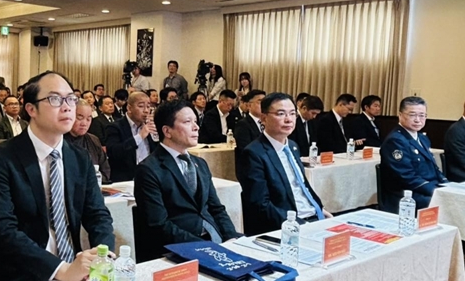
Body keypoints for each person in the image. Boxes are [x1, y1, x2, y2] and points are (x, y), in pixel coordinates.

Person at [0, 71, 115, 281]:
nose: (67, 107)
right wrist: (61, 270)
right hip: (24, 277)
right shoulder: (0, 159)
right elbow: (3, 229)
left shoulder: (79, 157)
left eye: (71, 99)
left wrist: (102, 258)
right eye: (55, 99)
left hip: (76, 273)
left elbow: (98, 215)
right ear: (31, 109)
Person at [134, 100, 241, 258]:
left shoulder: (200, 163)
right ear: (167, 131)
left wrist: (231, 237)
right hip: (178, 247)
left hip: (213, 236)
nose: (196, 127)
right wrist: (206, 247)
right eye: (187, 122)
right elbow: (158, 224)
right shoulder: (148, 169)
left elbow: (216, 208)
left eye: (195, 121)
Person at [238, 92, 331, 236]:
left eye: (292, 113)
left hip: (313, 216)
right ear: (264, 118)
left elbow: (301, 185)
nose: (288, 120)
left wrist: (320, 209)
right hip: (288, 225)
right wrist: (298, 225)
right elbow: (260, 204)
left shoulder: (292, 146)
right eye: (281, 114)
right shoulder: (253, 153)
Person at [379, 96, 446, 213]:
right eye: (412, 115)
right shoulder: (395, 140)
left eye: (422, 115)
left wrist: (446, 184)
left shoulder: (422, 138)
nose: (417, 120)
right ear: (400, 115)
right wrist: (436, 191)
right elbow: (407, 177)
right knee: (448, 204)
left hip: (426, 189)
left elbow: (434, 168)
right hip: (407, 194)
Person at [104, 92, 159, 182]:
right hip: (125, 179)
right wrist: (140, 136)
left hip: (149, 176)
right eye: (141, 106)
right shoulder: (114, 127)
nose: (146, 110)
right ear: (129, 108)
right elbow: (114, 152)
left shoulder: (150, 127)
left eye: (148, 107)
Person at [65, 101, 111, 183]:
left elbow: (105, 172)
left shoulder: (94, 140)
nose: (84, 123)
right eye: (80, 118)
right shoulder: (58, 140)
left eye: (88, 119)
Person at [233, 89, 266, 154]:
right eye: (260, 102)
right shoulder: (243, 125)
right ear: (249, 106)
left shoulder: (269, 123)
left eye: (265, 102)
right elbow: (246, 150)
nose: (264, 105)